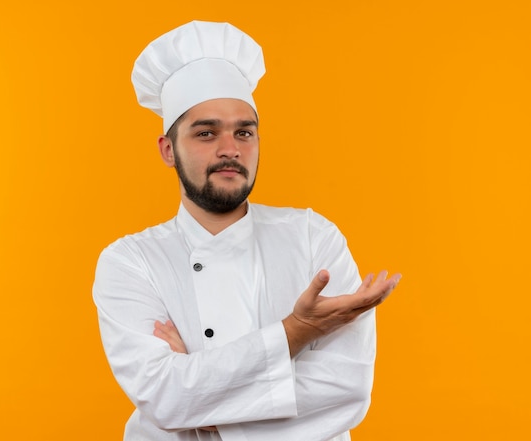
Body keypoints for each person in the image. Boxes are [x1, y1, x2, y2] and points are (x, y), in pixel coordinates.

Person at [93, 20, 401, 441]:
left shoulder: (314, 236)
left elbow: (346, 389)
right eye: (206, 133)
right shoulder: (129, 261)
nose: (230, 149)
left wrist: (201, 407)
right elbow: (163, 398)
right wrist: (296, 333)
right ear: (168, 150)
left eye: (244, 132)